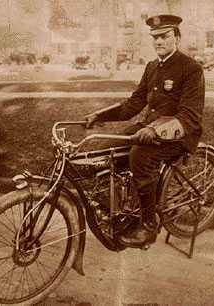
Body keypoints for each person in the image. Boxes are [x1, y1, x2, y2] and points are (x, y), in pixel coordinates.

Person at [85, 14, 205, 247]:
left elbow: (189, 115)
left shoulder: (191, 68)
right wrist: (100, 116)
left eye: (164, 36)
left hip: (180, 134)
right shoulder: (152, 67)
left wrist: (156, 130)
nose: (159, 41)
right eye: (155, 38)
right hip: (148, 129)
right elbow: (134, 104)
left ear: (176, 38)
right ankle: (122, 207)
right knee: (104, 150)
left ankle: (149, 225)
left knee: (140, 157)